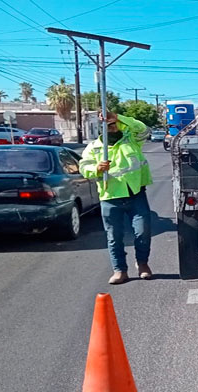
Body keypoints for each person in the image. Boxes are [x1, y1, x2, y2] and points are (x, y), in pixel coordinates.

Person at [79, 112, 153, 285]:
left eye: (114, 125)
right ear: (100, 129)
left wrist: (118, 117)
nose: (112, 128)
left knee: (143, 231)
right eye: (107, 126)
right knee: (114, 236)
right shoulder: (94, 147)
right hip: (110, 197)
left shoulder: (132, 140)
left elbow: (142, 129)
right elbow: (84, 167)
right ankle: (120, 270)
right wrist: (97, 168)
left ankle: (142, 264)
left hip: (136, 193)